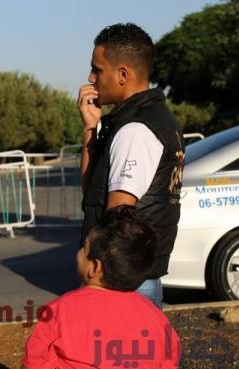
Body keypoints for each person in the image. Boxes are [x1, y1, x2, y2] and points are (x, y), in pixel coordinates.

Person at [22, 205, 181, 369]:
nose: (80, 251)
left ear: (94, 267)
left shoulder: (58, 312)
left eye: (84, 247)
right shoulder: (159, 322)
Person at [78, 23, 185, 308]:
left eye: (97, 69)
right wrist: (90, 128)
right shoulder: (153, 119)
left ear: (123, 74)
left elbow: (118, 217)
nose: (90, 78)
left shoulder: (135, 129)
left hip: (122, 283)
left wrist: (94, 272)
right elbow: (91, 192)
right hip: (134, 278)